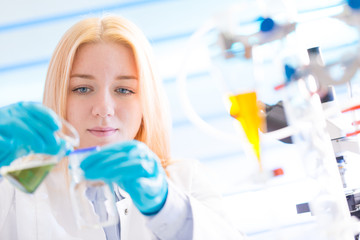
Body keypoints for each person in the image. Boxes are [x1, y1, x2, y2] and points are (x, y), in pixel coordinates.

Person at [0, 15, 247, 240]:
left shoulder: (186, 180)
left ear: (146, 102)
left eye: (124, 90)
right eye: (82, 89)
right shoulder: (15, 192)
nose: (104, 109)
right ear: (60, 95)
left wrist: (165, 208)